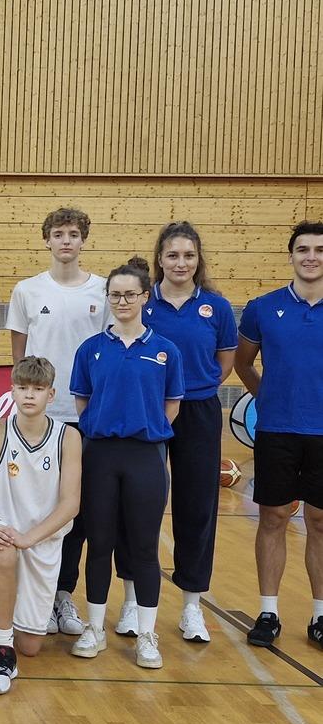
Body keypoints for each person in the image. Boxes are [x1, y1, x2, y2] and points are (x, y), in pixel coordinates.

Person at [69, 258, 184, 670]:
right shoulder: (92, 349)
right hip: (100, 455)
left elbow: (172, 405)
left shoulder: (165, 351)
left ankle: (147, 635)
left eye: (130, 294)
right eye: (115, 294)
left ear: (144, 297)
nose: (122, 301)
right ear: (108, 298)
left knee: (143, 548)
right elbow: (82, 402)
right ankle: (95, 627)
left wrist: (145, 428)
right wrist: (101, 427)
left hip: (146, 458)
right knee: (99, 543)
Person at [0, 357, 81, 694]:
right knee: (4, 551)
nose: (28, 395)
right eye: (22, 387)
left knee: (33, 646)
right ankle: (2, 650)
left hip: (42, 538)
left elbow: (71, 504)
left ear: (51, 395)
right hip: (2, 527)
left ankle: (21, 635)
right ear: (11, 390)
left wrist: (29, 538)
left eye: (37, 389)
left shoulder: (67, 437)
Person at [7, 207, 107, 637]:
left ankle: (64, 595)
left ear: (83, 239)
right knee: (38, 508)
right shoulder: (28, 291)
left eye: (73, 234)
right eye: (58, 234)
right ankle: (37, 598)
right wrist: (33, 402)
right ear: (46, 239)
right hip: (40, 419)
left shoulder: (103, 291)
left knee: (76, 514)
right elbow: (19, 359)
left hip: (85, 418)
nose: (66, 241)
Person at [144, 222, 237, 643]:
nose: (180, 263)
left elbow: (225, 362)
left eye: (188, 255)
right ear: (159, 259)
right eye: (172, 255)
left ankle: (191, 606)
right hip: (148, 411)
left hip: (199, 412)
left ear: (198, 261)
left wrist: (191, 390)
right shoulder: (143, 304)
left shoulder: (215, 307)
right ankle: (134, 600)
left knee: (197, 508)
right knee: (141, 503)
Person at [235, 220, 323, 651]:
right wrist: (266, 398)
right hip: (276, 430)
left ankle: (320, 616)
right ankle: (268, 611)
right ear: (290, 255)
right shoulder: (262, 308)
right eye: (303, 249)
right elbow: (243, 362)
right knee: (273, 518)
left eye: (320, 250)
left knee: (320, 523)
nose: (312, 256)